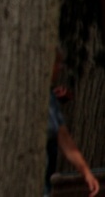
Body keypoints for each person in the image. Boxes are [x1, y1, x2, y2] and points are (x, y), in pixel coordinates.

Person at [45, 50, 100, 197]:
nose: (60, 67)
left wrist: (86, 172)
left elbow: (63, 136)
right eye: (57, 63)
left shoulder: (50, 97)